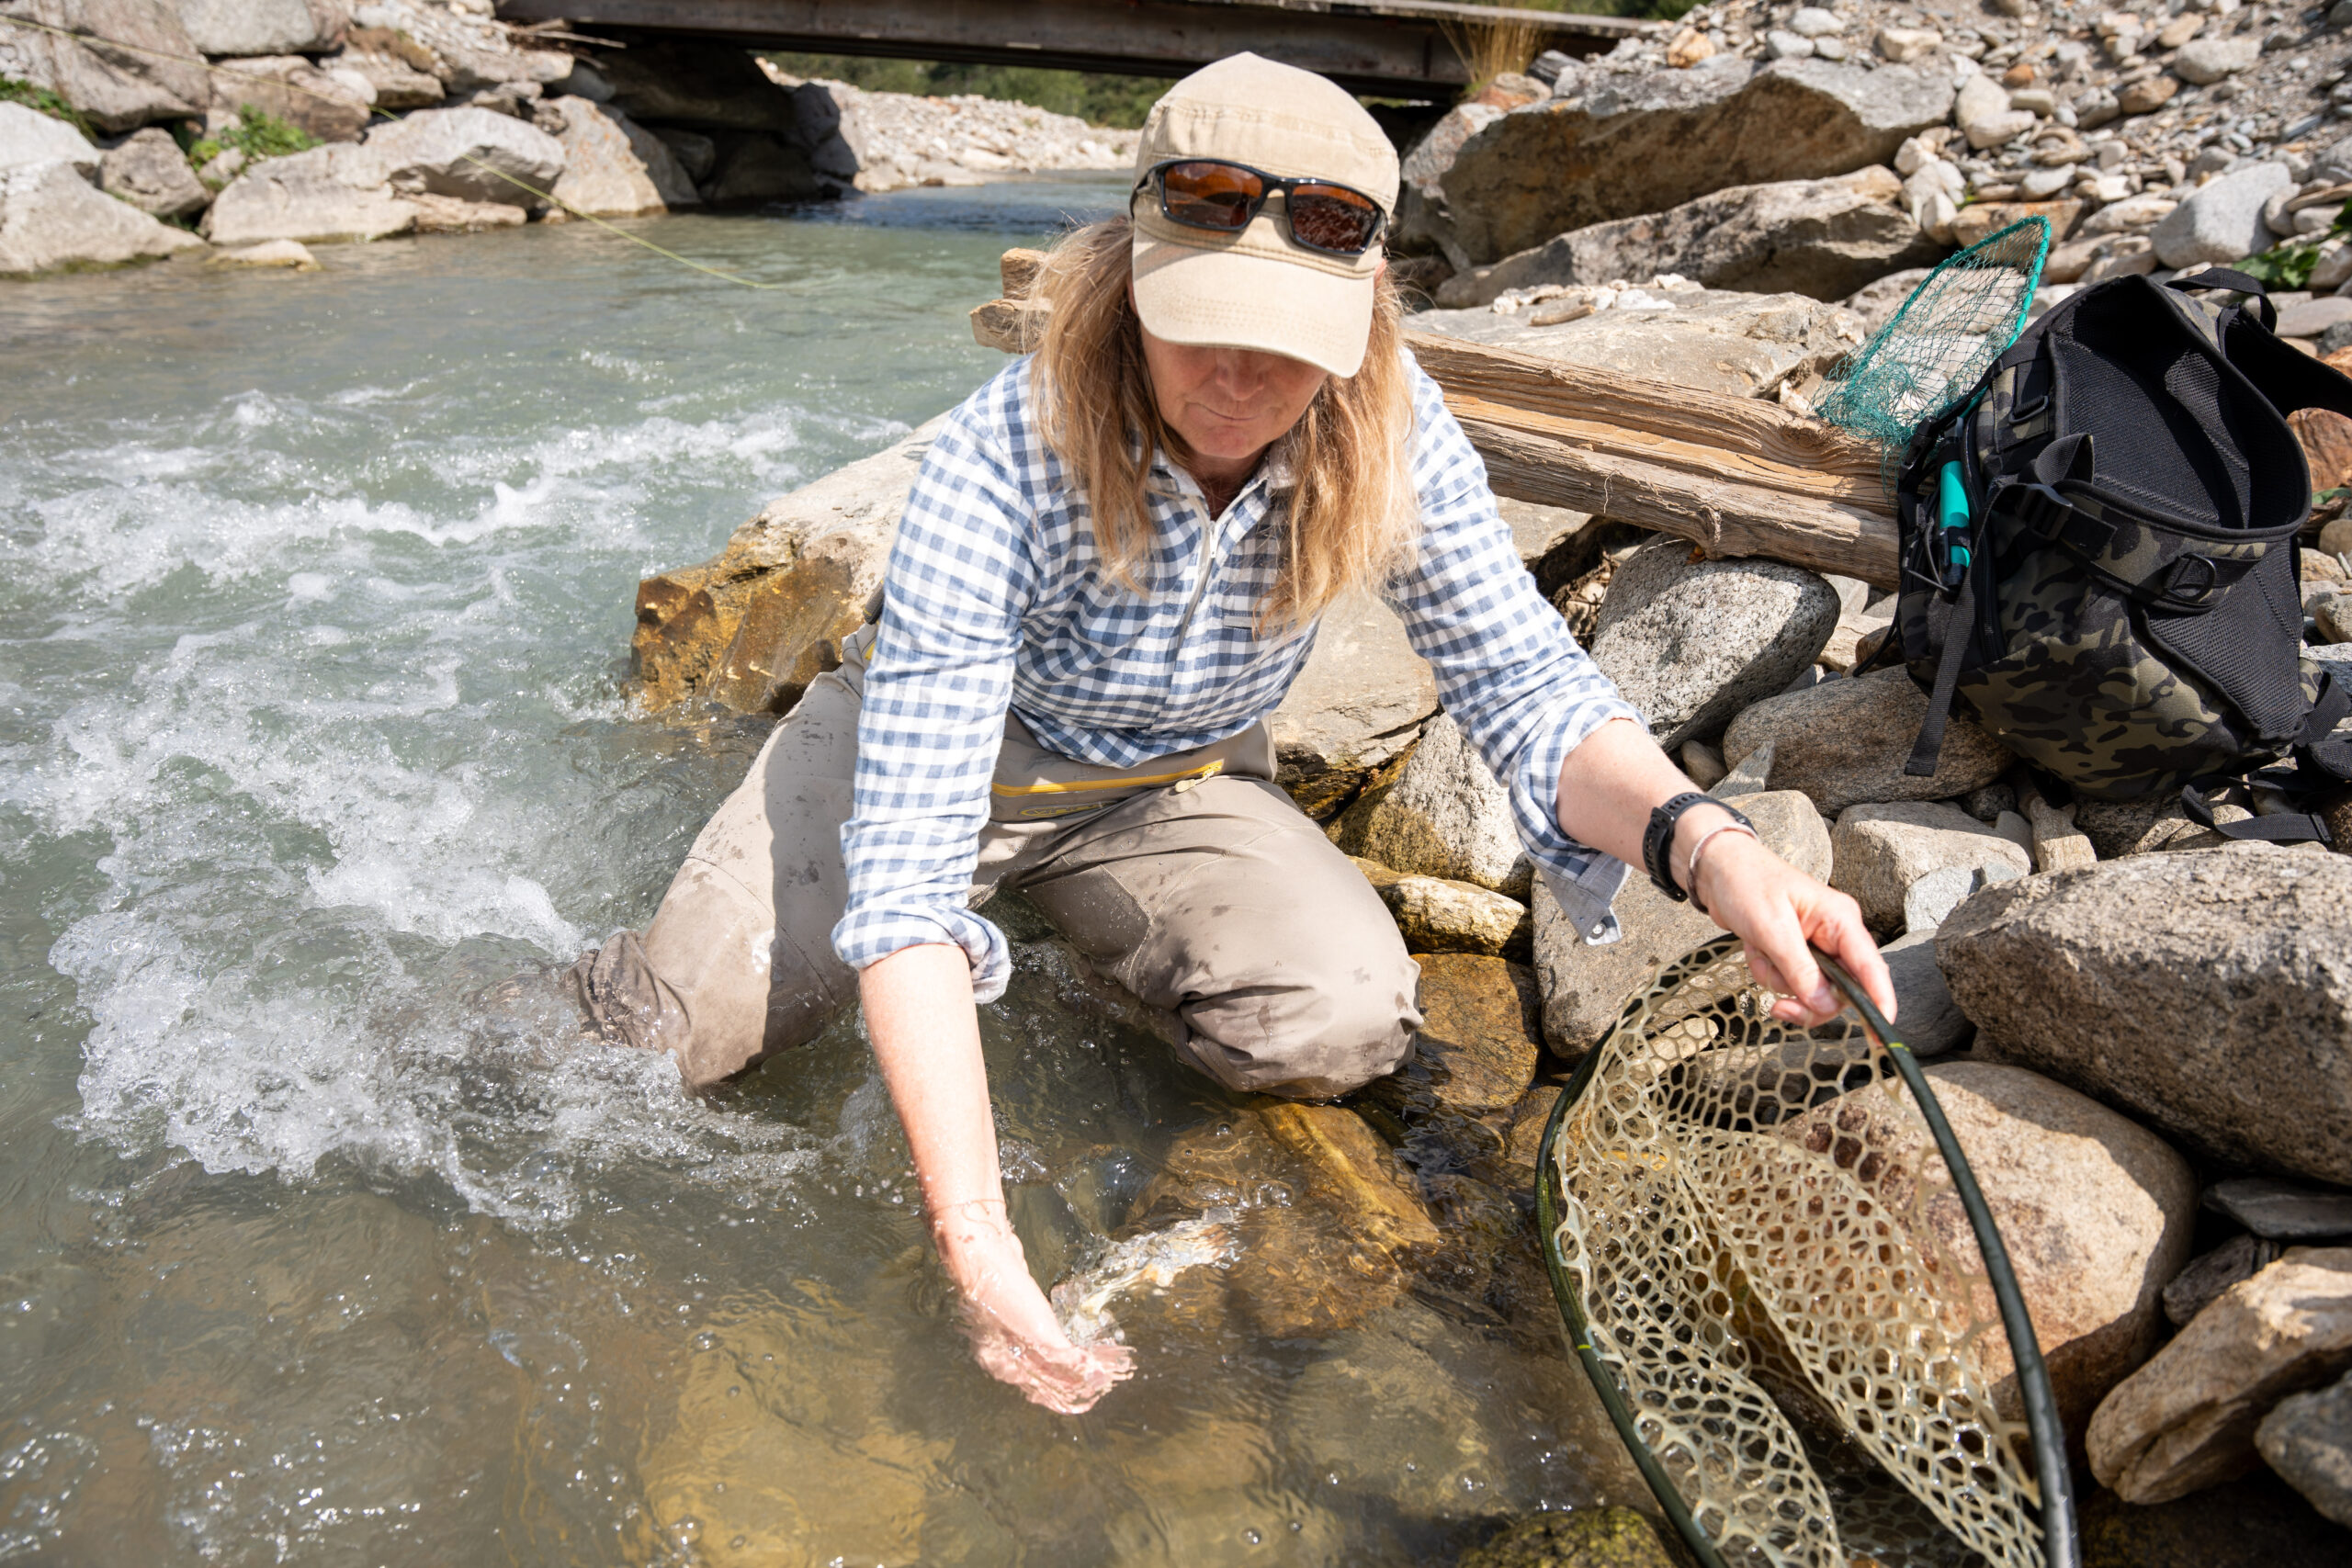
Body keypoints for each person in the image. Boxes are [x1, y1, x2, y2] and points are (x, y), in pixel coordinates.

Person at [568, 52, 1893, 1416]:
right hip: (934, 760)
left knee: (1342, 1023)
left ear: (1366, 302)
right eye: (1202, 320)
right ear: (1134, 268)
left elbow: (1527, 686)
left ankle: (1082, 944)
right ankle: (541, 1012)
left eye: (1289, 335)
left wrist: (1713, 847)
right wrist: (980, 1241)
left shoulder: (1393, 425)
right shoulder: (1004, 454)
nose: (1241, 373)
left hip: (1177, 779)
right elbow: (905, 870)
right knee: (668, 1051)